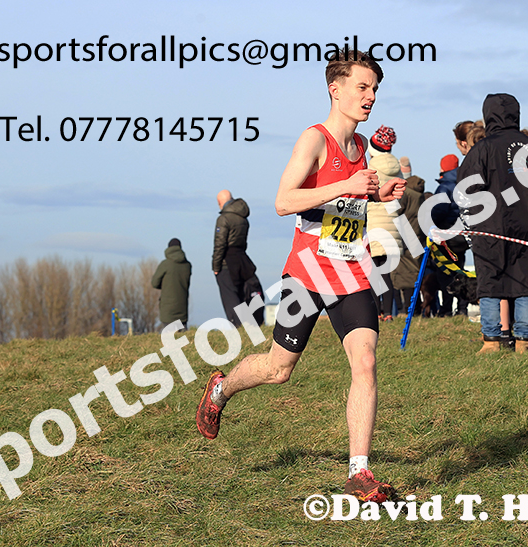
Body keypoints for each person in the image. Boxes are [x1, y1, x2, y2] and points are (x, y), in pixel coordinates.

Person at [195, 50, 405, 503]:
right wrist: (347, 185)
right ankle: (221, 387)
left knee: (365, 362)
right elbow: (284, 200)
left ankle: (359, 474)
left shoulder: (362, 146)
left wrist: (378, 194)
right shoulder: (315, 140)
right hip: (308, 273)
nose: (370, 97)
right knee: (278, 370)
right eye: (362, 87)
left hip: (351, 270)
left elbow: (342, 207)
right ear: (336, 88)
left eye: (374, 89)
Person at [457, 94, 528, 354]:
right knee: (526, 279)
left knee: (491, 279)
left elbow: (465, 189)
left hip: (491, 224)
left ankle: (492, 340)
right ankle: (523, 340)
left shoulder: (482, 148)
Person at [367, 125, 404, 320]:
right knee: (387, 273)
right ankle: (389, 312)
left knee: (373, 272)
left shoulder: (371, 168)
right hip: (393, 224)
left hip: (374, 222)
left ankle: (376, 312)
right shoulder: (397, 168)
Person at [212, 190, 264, 326]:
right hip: (241, 258)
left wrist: (216, 266)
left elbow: (220, 244)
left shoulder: (223, 218)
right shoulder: (243, 217)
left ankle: (238, 324)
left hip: (226, 262)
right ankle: (249, 323)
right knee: (241, 292)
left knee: (230, 295)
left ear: (219, 203)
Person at [431, 154, 469, 317]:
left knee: (445, 274)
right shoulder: (466, 183)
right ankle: (462, 308)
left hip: (447, 236)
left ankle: (446, 309)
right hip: (464, 236)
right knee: (460, 272)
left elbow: (438, 211)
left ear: (443, 168)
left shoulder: (445, 187)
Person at [391, 174, 425, 315]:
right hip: (417, 236)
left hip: (404, 236)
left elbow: (394, 212)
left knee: (403, 276)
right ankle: (415, 310)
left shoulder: (406, 194)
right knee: (414, 275)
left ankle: (405, 310)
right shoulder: (420, 195)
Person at [151, 238, 192, 329]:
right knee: (184, 336)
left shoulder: (165, 264)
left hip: (167, 307)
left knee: (169, 336)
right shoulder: (187, 265)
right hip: (182, 306)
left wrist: (165, 285)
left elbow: (154, 283)